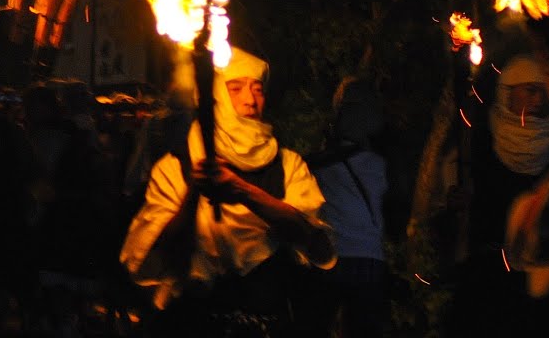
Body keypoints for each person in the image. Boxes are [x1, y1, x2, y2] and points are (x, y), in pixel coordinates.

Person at [119, 49, 337, 338]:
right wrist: (194, 191)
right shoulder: (175, 167)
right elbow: (156, 257)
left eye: (257, 89)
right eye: (235, 88)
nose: (250, 100)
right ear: (215, 98)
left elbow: (318, 246)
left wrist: (241, 190)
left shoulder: (287, 165)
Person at [445, 51, 549, 338]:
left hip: (543, 284)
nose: (538, 100)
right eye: (530, 91)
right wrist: (457, 199)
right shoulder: (480, 143)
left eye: (543, 92)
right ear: (508, 92)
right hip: (488, 278)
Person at [303, 77, 389, 338]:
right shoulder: (380, 165)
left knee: (318, 325)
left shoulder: (317, 164)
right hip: (369, 258)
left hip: (331, 256)